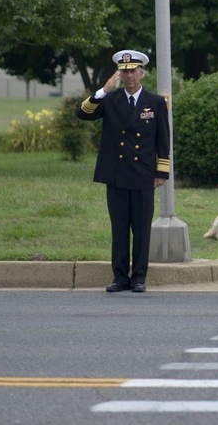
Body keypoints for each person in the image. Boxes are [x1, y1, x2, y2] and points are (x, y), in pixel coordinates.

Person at [75, 49, 169, 294]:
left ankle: (138, 277)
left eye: (133, 71)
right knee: (119, 228)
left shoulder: (156, 102)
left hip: (143, 174)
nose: (129, 76)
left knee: (141, 229)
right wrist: (104, 90)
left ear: (142, 73)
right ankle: (119, 276)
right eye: (124, 72)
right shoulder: (110, 99)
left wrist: (161, 172)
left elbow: (163, 140)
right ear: (119, 74)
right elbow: (82, 113)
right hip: (116, 174)